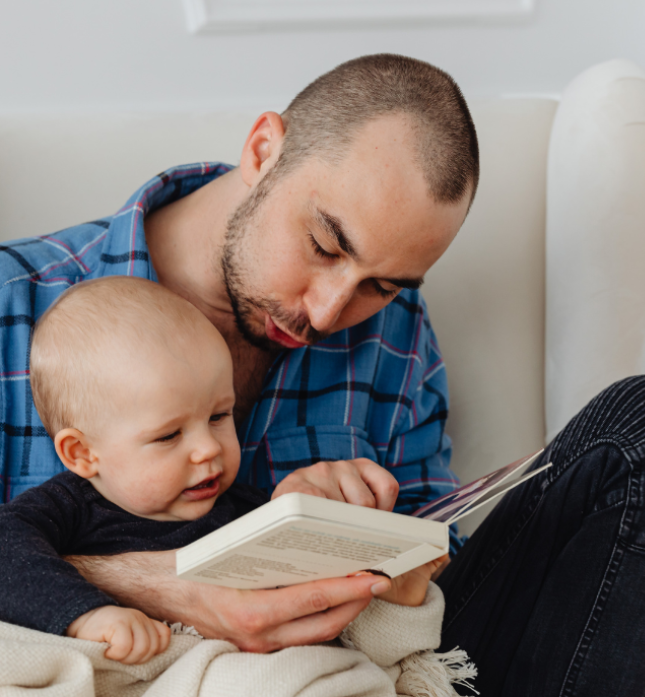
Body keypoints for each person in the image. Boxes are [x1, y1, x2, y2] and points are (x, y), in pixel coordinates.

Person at [0, 53, 645, 696]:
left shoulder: (396, 334)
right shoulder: (17, 302)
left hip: (366, 660)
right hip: (142, 672)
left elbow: (434, 584)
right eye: (324, 244)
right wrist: (166, 583)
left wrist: (382, 542)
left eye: (384, 284)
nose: (327, 310)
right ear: (263, 150)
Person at [0, 276, 457, 694]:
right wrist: (86, 614)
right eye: (169, 435)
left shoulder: (249, 510)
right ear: (82, 454)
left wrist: (393, 592)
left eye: (219, 416)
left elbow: (327, 622)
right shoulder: (67, 506)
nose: (208, 449)